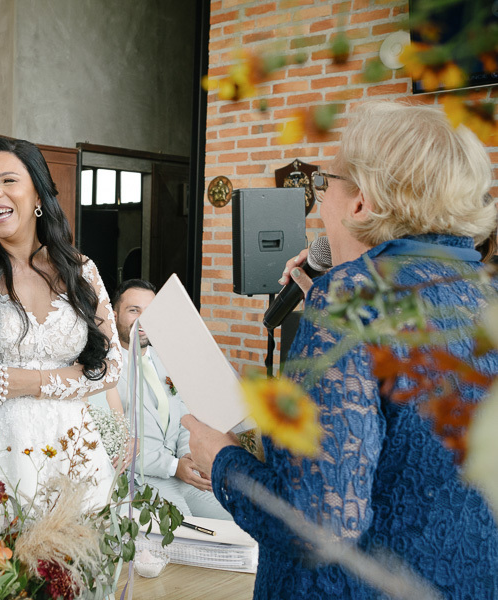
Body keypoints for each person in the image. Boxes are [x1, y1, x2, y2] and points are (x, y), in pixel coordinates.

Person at [183, 101, 498, 598]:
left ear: (360, 204)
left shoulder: (352, 300)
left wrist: (220, 458)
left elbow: (319, 523)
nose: (319, 202)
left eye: (325, 184)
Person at [0, 137, 123, 507]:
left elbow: (112, 367)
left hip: (74, 448)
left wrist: (29, 382)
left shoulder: (80, 270)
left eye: (8, 180)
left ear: (39, 196)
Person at [113, 279, 231, 520]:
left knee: (240, 519)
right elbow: (112, 444)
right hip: (141, 478)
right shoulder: (104, 371)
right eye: (134, 310)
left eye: (150, 312)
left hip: (184, 472)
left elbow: (185, 415)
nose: (143, 320)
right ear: (114, 315)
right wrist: (173, 467)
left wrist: (189, 457)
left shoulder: (168, 358)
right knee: (185, 531)